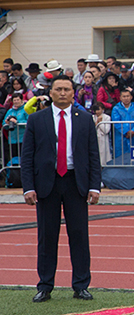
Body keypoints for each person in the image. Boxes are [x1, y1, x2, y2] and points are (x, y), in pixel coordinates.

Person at [21, 75, 101, 302]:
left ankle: (81, 285)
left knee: (79, 235)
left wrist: (95, 186)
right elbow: (27, 157)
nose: (63, 93)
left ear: (73, 92)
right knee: (47, 236)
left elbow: (93, 155)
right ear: (51, 92)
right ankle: (45, 286)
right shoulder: (37, 120)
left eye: (67, 89)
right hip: (47, 183)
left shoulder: (85, 119)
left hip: (76, 183)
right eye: (58, 89)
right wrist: (28, 187)